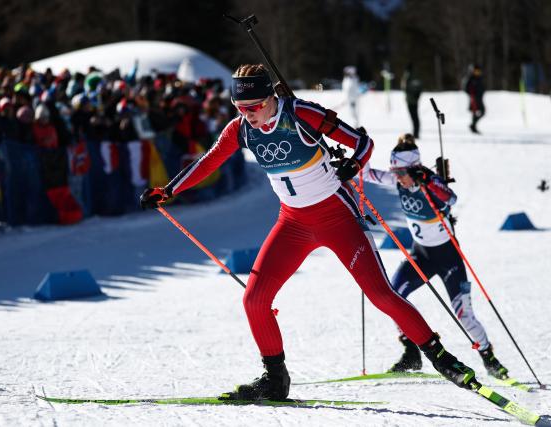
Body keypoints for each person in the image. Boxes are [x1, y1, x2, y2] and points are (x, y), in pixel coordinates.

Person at [140, 64, 477, 401]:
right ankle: (275, 379)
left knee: (381, 295)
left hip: (337, 218)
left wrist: (353, 164)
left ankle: (442, 358)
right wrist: (169, 190)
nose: (248, 115)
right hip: (293, 223)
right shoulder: (240, 130)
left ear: (271, 98)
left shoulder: (301, 113)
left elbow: (362, 142)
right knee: (254, 300)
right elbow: (210, 160)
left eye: (254, 107)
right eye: (240, 108)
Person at [360, 133, 509, 379]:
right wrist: (356, 150)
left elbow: (451, 198)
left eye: (401, 174)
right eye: (394, 173)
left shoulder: (430, 183)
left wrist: (427, 180)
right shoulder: (399, 180)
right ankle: (411, 353)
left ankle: (489, 358)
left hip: (448, 257)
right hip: (421, 254)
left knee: (463, 313)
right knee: (393, 295)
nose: (398, 179)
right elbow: (364, 174)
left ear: (415, 170)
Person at [401, 64, 422, 139]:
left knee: (414, 117)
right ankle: (416, 133)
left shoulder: (409, 76)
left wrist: (416, 96)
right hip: (412, 100)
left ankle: (416, 133)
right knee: (414, 117)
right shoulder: (411, 76)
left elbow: (405, 87)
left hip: (412, 100)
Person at [464, 65, 485, 134]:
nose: (477, 72)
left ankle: (473, 125)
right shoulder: (471, 78)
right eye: (476, 71)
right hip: (474, 98)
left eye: (478, 71)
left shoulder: (479, 78)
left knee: (482, 112)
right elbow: (466, 88)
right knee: (474, 112)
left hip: (480, 98)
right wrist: (472, 93)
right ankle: (473, 127)